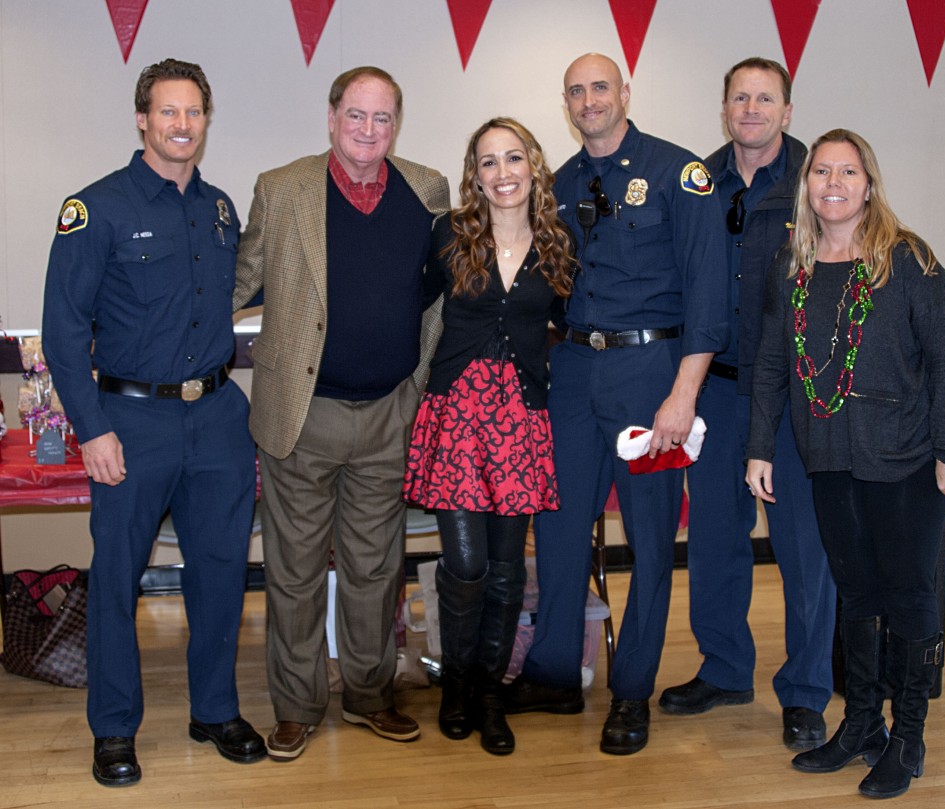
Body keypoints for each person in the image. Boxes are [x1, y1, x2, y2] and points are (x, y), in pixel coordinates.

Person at [41, 58, 265, 787]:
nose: (181, 125)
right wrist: (91, 427)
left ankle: (215, 709)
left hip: (218, 419)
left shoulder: (222, 209)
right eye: (168, 112)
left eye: (194, 112)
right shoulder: (95, 208)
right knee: (116, 580)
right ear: (142, 119)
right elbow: (64, 330)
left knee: (222, 575)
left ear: (206, 120)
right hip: (130, 423)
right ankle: (112, 728)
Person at [502, 53, 730, 756]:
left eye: (600, 87)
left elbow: (708, 293)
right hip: (573, 368)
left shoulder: (678, 172)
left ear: (623, 92)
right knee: (561, 527)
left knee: (652, 539)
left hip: (650, 371)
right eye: (576, 90)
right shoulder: (560, 184)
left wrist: (683, 394)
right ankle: (554, 673)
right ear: (565, 103)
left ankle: (631, 688)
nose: (589, 100)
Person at [232, 66, 450, 760]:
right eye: (355, 116)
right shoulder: (282, 187)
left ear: (397, 125)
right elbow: (237, 283)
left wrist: (415, 389)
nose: (368, 131)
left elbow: (438, 296)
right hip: (303, 414)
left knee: (374, 566)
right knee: (294, 570)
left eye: (381, 118)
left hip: (389, 410)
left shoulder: (428, 190)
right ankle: (296, 706)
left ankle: (368, 694)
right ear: (331, 118)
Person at [746, 128, 945, 799]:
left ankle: (909, 735)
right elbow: (771, 364)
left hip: (904, 461)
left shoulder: (909, 261)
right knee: (856, 593)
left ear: (869, 184)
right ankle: (863, 723)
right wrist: (760, 445)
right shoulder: (793, 266)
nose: (833, 184)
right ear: (805, 184)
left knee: (909, 596)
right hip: (829, 458)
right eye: (821, 172)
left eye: (847, 172)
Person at [659, 58, 836, 750]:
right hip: (716, 391)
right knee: (713, 540)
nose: (752, 109)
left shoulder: (817, 183)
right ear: (724, 108)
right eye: (741, 97)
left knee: (802, 547)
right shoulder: (697, 184)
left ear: (788, 112)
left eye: (767, 98)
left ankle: (805, 690)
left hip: (794, 399)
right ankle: (726, 666)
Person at [403, 118, 574, 755]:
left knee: (506, 570)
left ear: (533, 166)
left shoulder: (558, 241)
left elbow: (567, 320)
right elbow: (413, 307)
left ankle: (489, 691)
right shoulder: (448, 235)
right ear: (474, 174)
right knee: (468, 564)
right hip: (457, 415)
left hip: (521, 417)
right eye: (488, 163)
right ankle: (455, 686)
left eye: (513, 159)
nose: (502, 174)